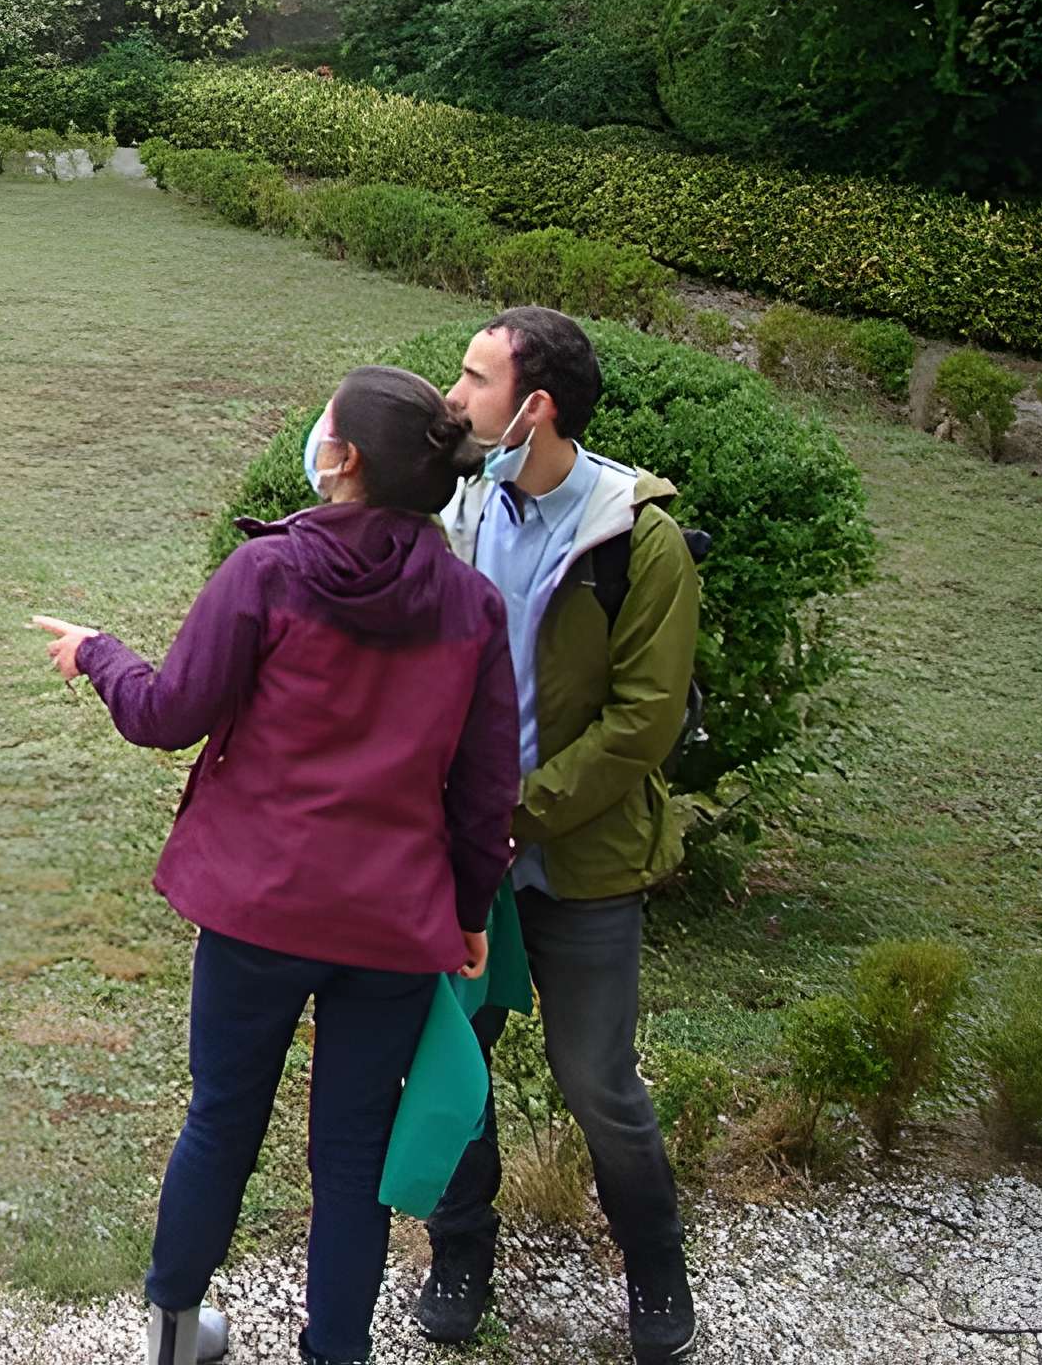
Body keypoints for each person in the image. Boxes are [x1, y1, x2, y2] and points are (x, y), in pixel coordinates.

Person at [35, 366, 518, 1365]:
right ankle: (333, 1352)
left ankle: (173, 1332)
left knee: (220, 1118)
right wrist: (467, 911)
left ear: (336, 463)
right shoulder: (470, 607)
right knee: (350, 1159)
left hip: (256, 910)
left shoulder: (268, 575)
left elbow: (167, 713)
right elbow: (482, 794)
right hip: (388, 926)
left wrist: (96, 654)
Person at [406, 307, 702, 1364]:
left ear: (531, 408)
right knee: (451, 1059)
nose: (453, 395)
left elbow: (641, 723)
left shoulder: (637, 540)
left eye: (472, 377)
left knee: (597, 1084)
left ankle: (657, 1276)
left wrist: (511, 811)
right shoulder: (462, 506)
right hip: (460, 857)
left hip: (575, 857)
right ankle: (458, 1252)